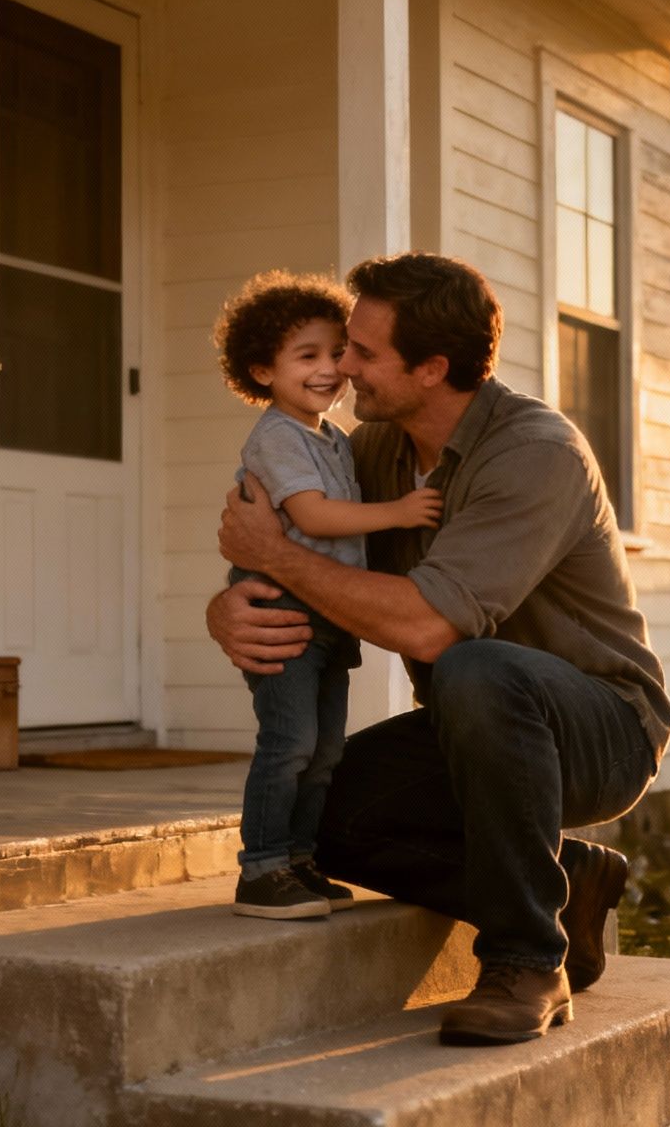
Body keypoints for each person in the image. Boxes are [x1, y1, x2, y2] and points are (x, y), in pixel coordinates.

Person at [210, 252, 670, 1046]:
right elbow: (288, 542)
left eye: (362, 352)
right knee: (322, 819)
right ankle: (568, 884)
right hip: (473, 725)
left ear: (431, 368)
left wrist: (284, 560)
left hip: (601, 726)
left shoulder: (534, 454)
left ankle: (528, 959)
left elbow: (428, 627)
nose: (343, 367)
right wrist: (231, 604)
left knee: (472, 661)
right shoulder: (374, 455)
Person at [212, 271, 443, 921]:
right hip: (281, 615)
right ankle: (261, 870)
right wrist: (399, 512)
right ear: (262, 370)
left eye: (335, 354)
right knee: (288, 744)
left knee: (325, 751)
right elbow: (311, 517)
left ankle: (300, 860)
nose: (329, 369)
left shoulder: (332, 438)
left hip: (329, 618)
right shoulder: (277, 437)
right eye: (306, 356)